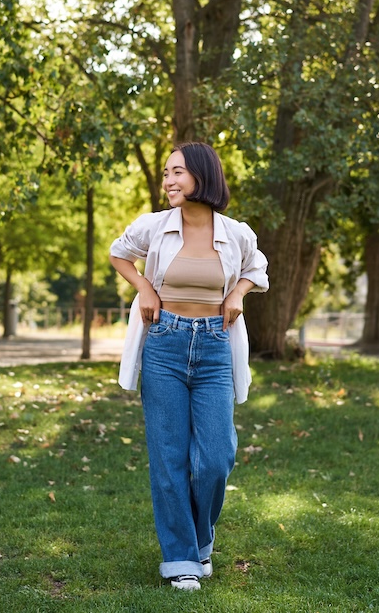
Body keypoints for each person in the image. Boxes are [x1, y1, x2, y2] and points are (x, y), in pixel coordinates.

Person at [109, 141, 269, 591]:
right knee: (169, 455)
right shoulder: (155, 227)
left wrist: (237, 294)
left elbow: (257, 269)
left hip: (216, 345)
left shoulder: (235, 232)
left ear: (203, 175)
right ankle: (180, 558)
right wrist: (144, 287)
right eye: (165, 174)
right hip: (164, 343)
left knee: (217, 457)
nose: (168, 181)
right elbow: (118, 252)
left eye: (177, 172)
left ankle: (202, 540)